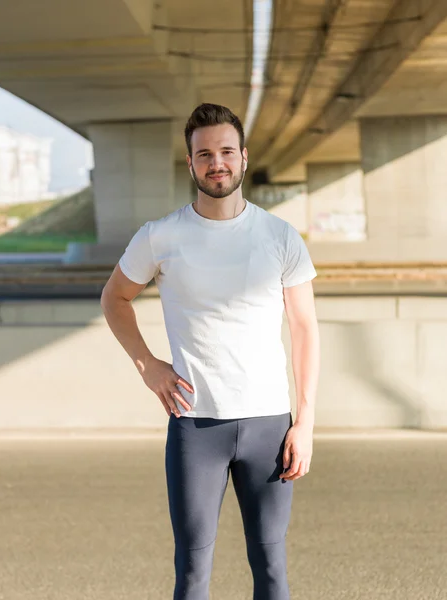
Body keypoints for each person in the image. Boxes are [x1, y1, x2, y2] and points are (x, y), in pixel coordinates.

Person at [101, 103, 320, 600]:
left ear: (243, 157)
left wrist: (304, 423)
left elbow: (305, 328)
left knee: (271, 568)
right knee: (193, 574)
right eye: (205, 154)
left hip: (269, 424)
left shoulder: (280, 236)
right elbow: (114, 298)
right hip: (195, 427)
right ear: (190, 163)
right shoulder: (160, 235)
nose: (216, 162)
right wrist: (148, 366)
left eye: (226, 151)